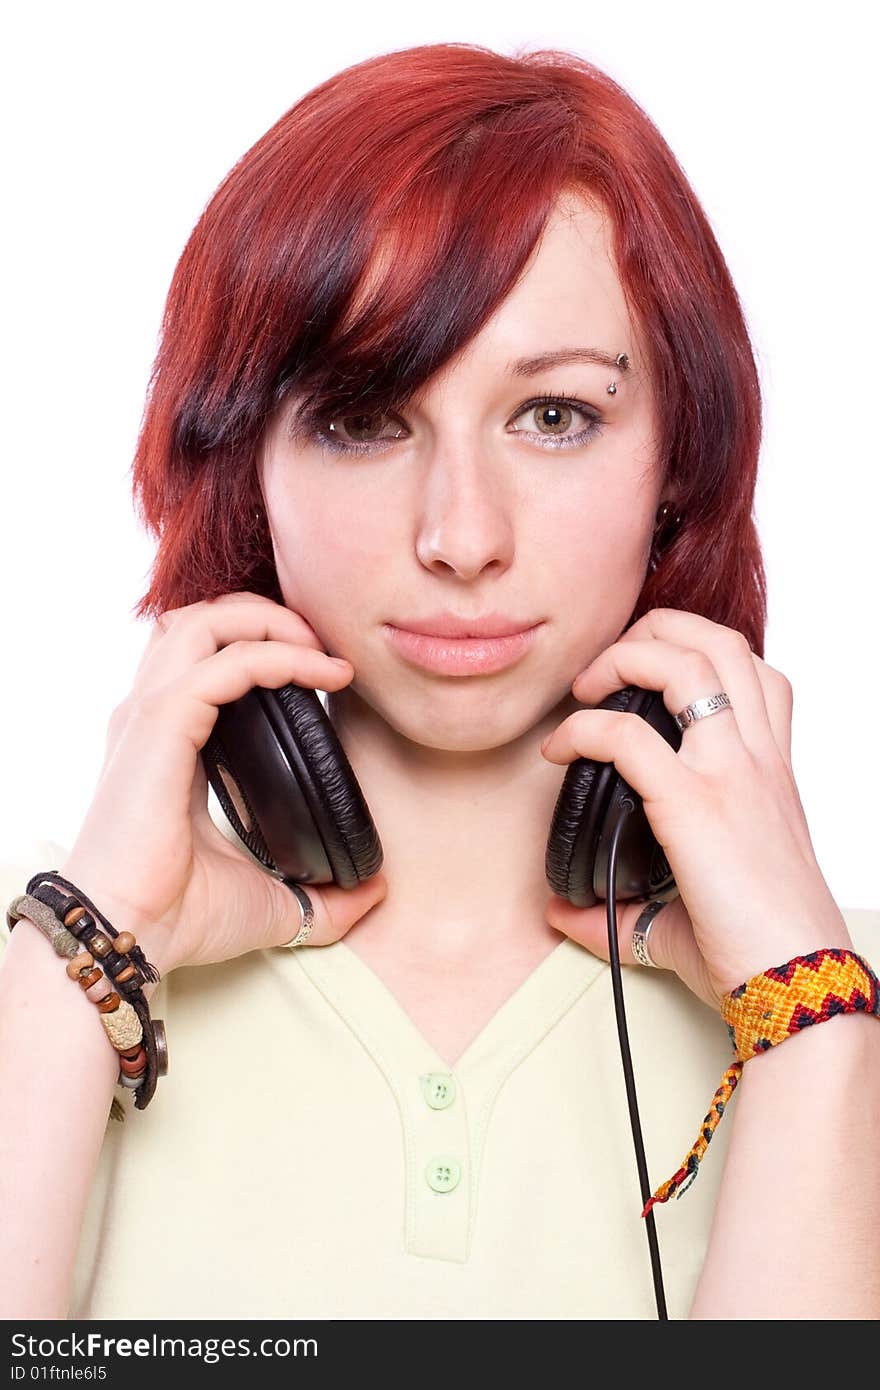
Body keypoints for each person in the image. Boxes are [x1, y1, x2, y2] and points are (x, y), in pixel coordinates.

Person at [1, 40, 878, 1323]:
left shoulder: (831, 996)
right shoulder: (48, 970)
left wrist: (810, 1028)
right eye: (364, 419)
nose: (463, 537)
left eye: (554, 416)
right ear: (244, 464)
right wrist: (84, 960)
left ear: (679, 459)